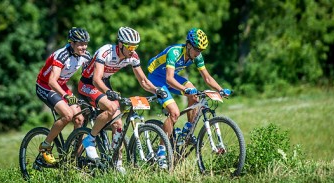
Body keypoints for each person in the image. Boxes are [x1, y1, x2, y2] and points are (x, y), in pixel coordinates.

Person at [78, 27, 167, 172]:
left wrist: (156, 90)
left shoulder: (133, 56)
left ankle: (117, 163)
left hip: (104, 83)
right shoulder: (106, 52)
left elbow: (143, 81)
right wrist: (108, 92)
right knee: (112, 108)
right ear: (120, 44)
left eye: (135, 47)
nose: (133, 50)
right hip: (88, 83)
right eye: (130, 46)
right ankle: (90, 139)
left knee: (118, 123)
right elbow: (96, 79)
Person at [147, 28, 232, 159]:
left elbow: (207, 78)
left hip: (170, 77)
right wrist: (184, 89)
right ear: (188, 45)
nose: (199, 53)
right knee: (174, 113)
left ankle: (187, 130)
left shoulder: (197, 56)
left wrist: (220, 90)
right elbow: (169, 79)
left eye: (201, 51)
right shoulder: (174, 52)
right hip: (156, 78)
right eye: (197, 50)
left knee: (195, 94)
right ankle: (161, 150)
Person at [36, 27, 91, 165]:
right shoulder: (61, 55)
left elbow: (89, 78)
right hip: (45, 86)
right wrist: (66, 96)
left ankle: (74, 156)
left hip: (62, 86)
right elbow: (52, 81)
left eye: (85, 43)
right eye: (80, 44)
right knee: (67, 115)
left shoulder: (86, 56)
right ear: (71, 43)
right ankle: (45, 147)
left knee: (79, 118)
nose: (84, 47)